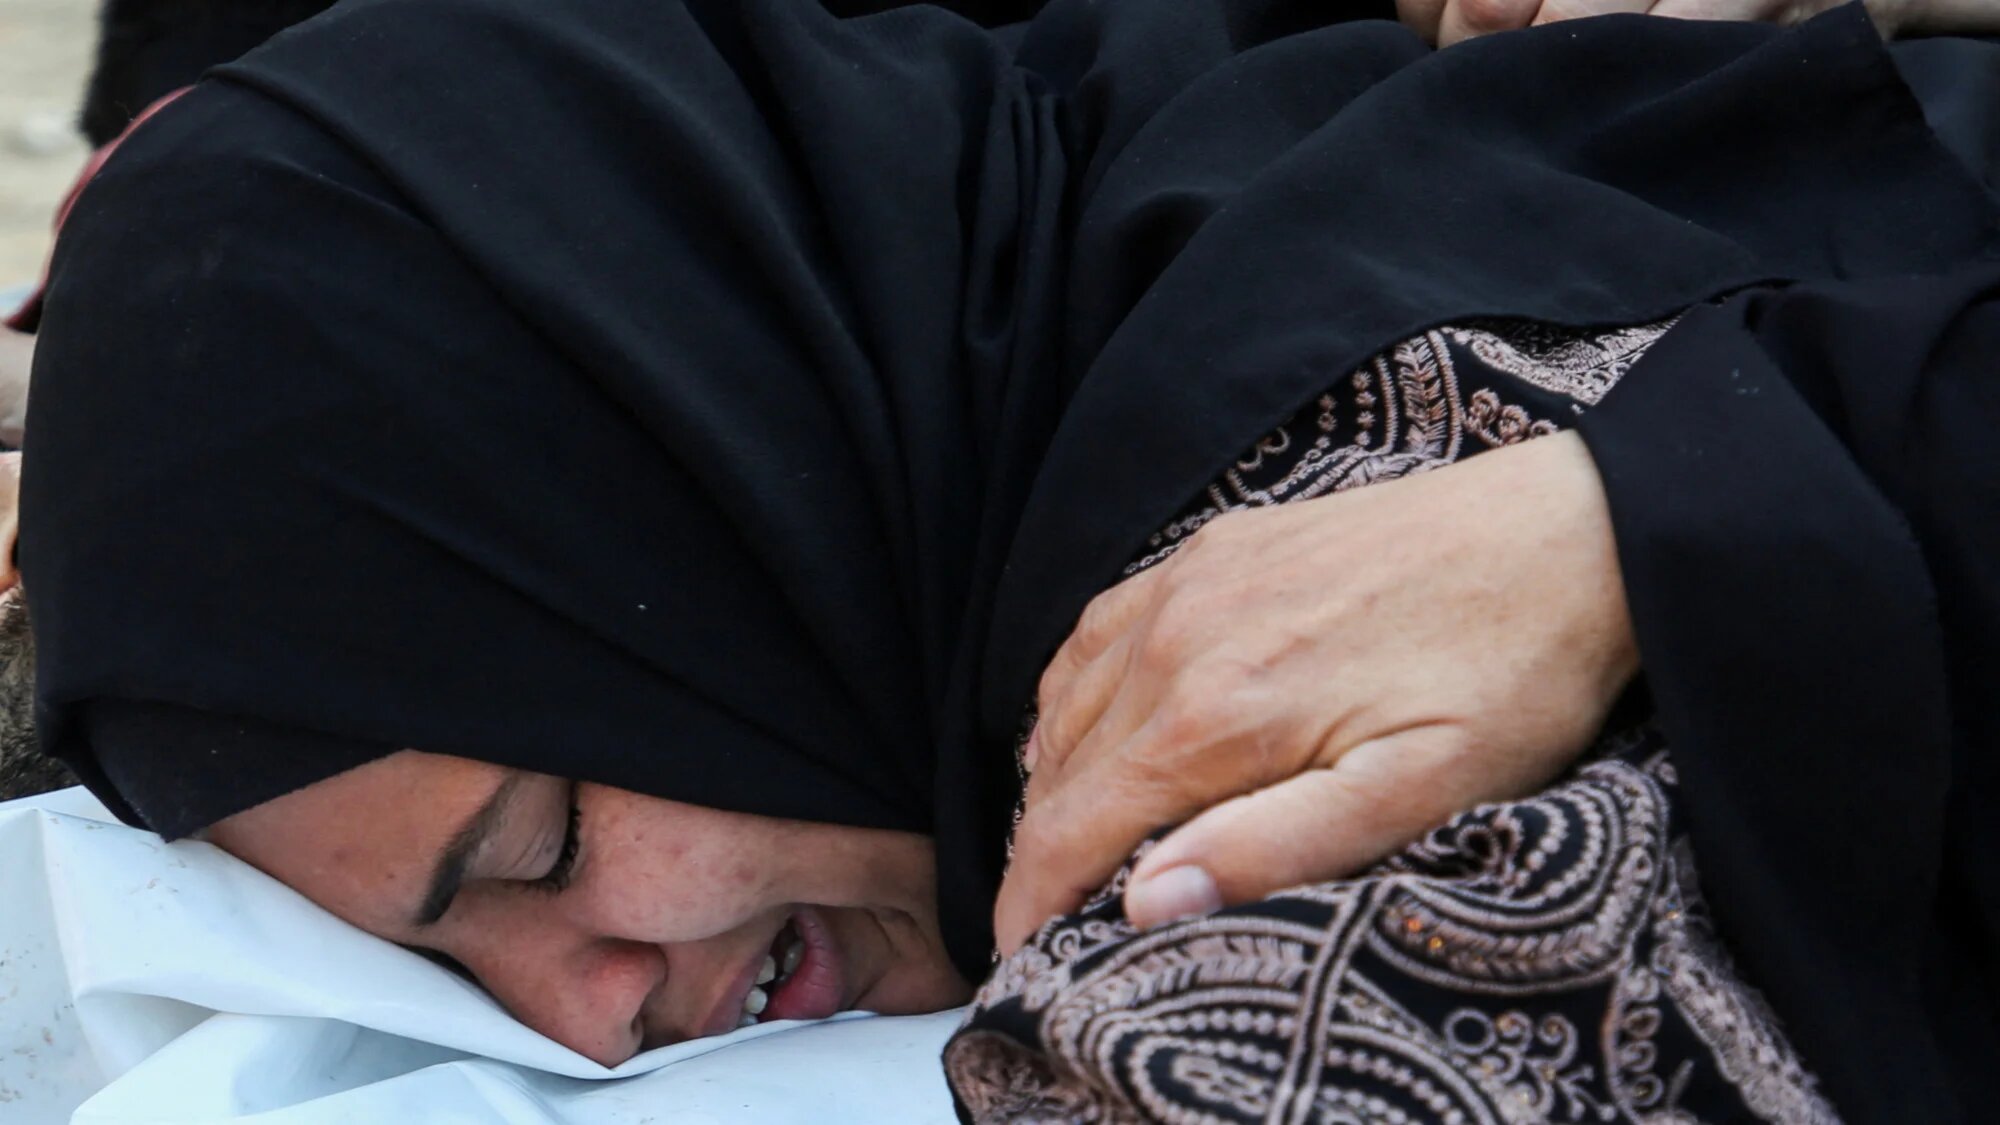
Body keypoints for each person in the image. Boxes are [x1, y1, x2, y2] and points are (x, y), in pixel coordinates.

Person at [14, 0, 1999, 1119]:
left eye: (538, 842)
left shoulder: (1273, 723)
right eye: (429, 968)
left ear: (702, 510)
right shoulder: (1165, 222)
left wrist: (1667, 515)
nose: (583, 1013)